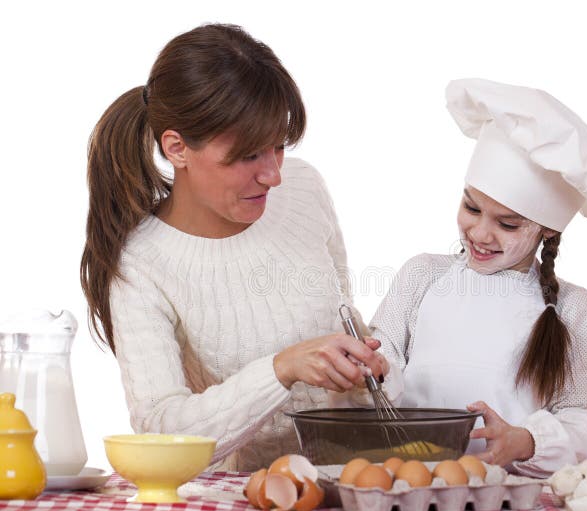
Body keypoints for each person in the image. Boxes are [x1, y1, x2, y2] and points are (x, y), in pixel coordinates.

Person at [79, 23, 388, 470]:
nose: (273, 175)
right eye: (248, 156)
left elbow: (344, 316)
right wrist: (280, 370)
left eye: (277, 146)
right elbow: (160, 428)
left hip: (354, 483)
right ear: (177, 147)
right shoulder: (141, 263)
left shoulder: (303, 188)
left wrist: (366, 369)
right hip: (239, 503)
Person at [368, 78, 587, 478]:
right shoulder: (423, 275)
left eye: (508, 224)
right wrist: (375, 367)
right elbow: (385, 353)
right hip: (406, 484)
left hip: (504, 496)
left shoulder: (572, 309)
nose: (479, 234)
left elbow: (581, 426)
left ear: (546, 229)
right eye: (471, 208)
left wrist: (527, 441)